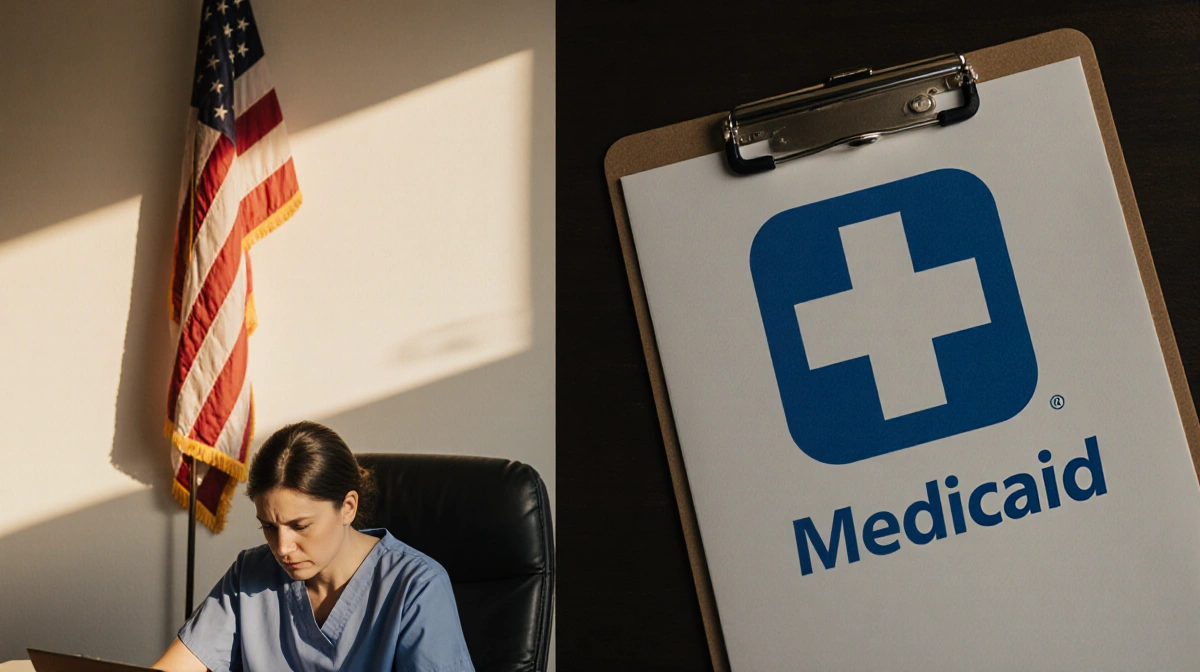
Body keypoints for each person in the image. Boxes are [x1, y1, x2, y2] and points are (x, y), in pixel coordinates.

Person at [152, 421, 475, 672]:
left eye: (300, 526)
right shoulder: (250, 573)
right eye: (268, 526)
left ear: (347, 507)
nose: (282, 547)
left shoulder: (416, 586)